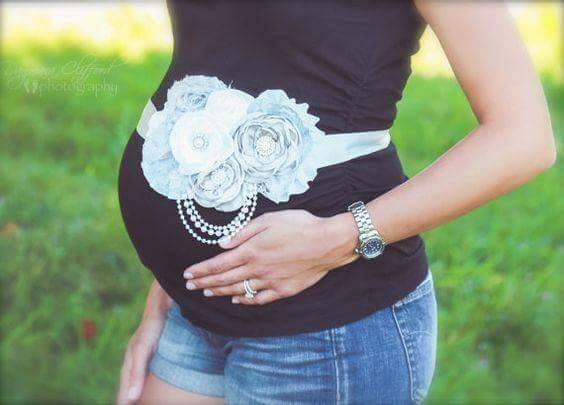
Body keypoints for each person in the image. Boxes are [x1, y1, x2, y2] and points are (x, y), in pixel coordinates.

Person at [116, 1, 555, 404]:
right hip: (197, 301)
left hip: (326, 335)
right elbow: (228, 54)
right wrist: (168, 282)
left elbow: (523, 137)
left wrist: (340, 237)